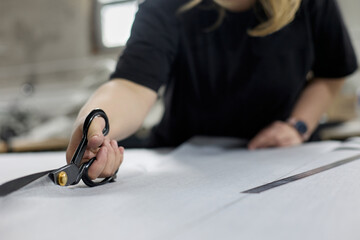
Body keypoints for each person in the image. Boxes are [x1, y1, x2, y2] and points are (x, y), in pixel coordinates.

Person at [66, 0, 358, 180]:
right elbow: (132, 86)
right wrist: (94, 122)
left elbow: (331, 73)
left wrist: (298, 125)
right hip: (183, 164)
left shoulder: (309, 3)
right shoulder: (164, 6)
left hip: (284, 160)